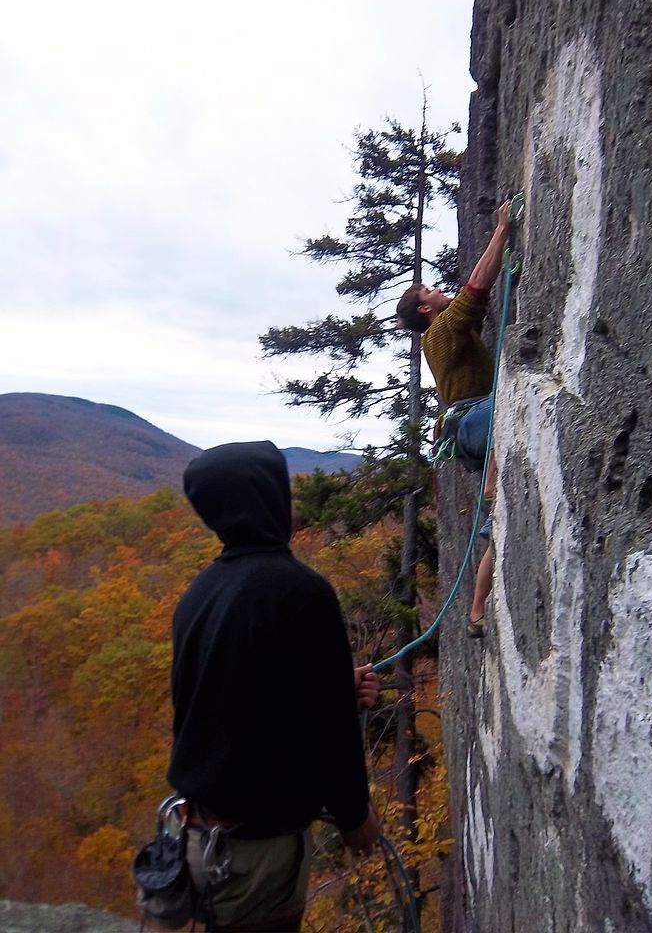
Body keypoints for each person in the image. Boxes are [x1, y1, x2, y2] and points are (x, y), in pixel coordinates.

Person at [167, 440, 380, 932]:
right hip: (258, 853)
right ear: (267, 499)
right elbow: (330, 728)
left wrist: (324, 686)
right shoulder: (301, 592)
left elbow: (217, 705)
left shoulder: (198, 594)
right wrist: (354, 816)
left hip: (198, 839)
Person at [396, 200, 512, 638]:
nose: (441, 293)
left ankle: (476, 611)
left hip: (467, 431)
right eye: (432, 294)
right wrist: (502, 230)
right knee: (516, 400)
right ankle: (488, 482)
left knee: (494, 526)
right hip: (476, 422)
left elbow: (473, 304)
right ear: (426, 310)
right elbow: (476, 289)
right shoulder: (440, 329)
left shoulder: (444, 334)